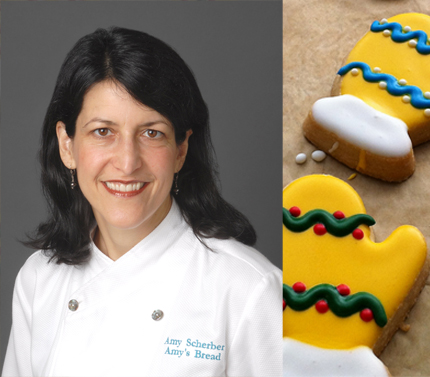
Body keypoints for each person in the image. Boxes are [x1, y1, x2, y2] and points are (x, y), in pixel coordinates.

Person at [2, 27, 281, 377]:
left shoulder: (249, 290)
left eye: (152, 133)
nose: (128, 162)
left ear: (181, 150)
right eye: (103, 132)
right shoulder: (39, 279)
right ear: (67, 146)